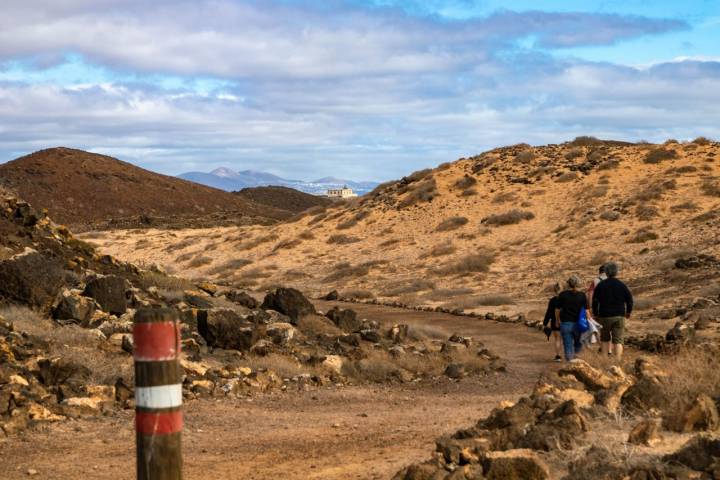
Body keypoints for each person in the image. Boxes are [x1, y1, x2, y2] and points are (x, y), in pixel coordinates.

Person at [592, 261, 633, 360]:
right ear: (616, 272)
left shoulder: (600, 285)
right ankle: (617, 361)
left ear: (606, 272)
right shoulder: (621, 285)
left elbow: (595, 301)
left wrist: (596, 314)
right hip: (619, 315)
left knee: (605, 339)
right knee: (618, 341)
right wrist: (628, 312)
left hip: (604, 316)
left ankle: (605, 361)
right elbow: (629, 300)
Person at [555, 275, 588, 361]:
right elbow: (586, 310)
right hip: (579, 324)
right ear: (578, 284)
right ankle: (577, 361)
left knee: (568, 345)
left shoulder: (562, 295)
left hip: (566, 323)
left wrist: (557, 320)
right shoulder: (582, 295)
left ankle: (570, 363)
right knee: (578, 344)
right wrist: (589, 320)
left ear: (568, 284)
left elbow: (557, 309)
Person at [543, 282, 563, 362]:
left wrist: (545, 323)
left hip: (555, 321)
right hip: (566, 321)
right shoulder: (566, 299)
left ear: (554, 291)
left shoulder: (552, 300)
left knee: (557, 339)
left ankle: (558, 356)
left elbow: (548, 312)